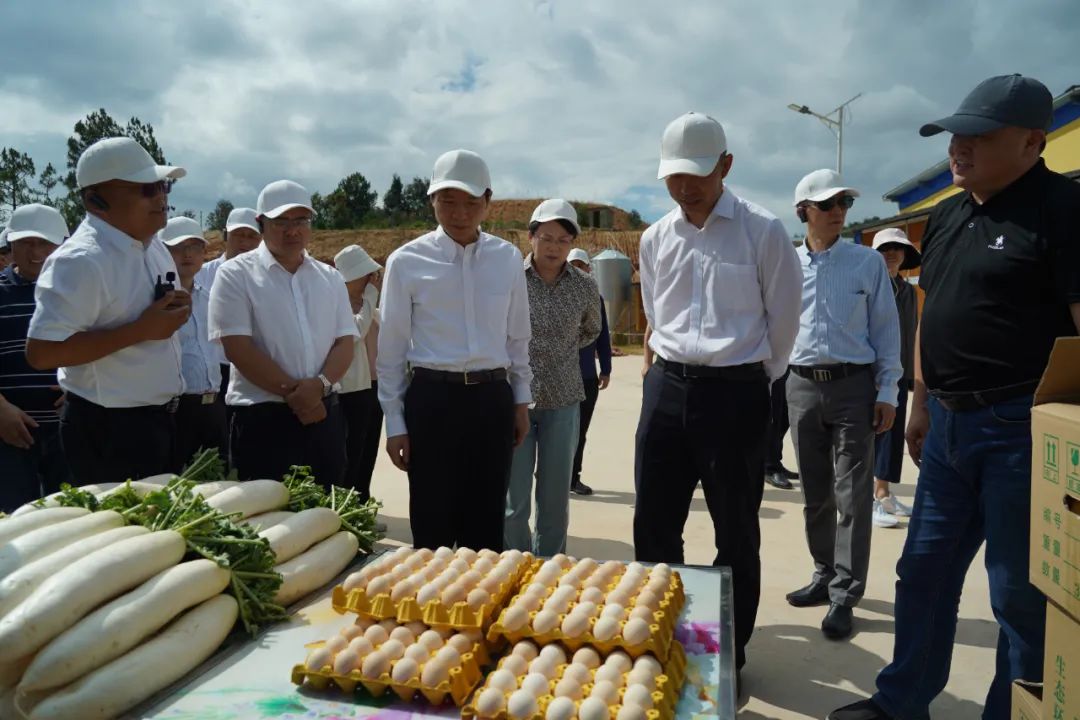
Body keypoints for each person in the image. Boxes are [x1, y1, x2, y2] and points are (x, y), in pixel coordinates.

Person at [830, 74, 1080, 720]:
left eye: (978, 136)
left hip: (1020, 432)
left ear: (1032, 141)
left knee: (1019, 597)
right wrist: (920, 404)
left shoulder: (1063, 209)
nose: (958, 149)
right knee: (923, 574)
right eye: (955, 136)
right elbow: (931, 307)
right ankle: (901, 703)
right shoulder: (945, 215)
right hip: (945, 427)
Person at [635, 112, 802, 675]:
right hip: (666, 388)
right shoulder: (657, 237)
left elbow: (783, 322)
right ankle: (662, 637)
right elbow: (656, 314)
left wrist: (753, 378)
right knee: (655, 525)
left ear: (726, 166)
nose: (686, 187)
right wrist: (669, 370)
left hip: (736, 394)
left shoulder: (763, 230)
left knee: (735, 529)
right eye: (674, 176)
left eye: (698, 175)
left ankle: (726, 655)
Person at [378, 149, 532, 551]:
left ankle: (482, 609)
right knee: (432, 521)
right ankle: (429, 610)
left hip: (491, 399)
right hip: (432, 401)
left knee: (486, 522)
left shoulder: (507, 258)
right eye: (447, 200)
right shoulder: (406, 262)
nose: (459, 212)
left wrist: (520, 403)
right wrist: (395, 421)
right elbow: (391, 347)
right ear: (432, 201)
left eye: (470, 202)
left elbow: (517, 338)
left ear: (487, 201)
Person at [26, 137, 189, 485]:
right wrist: (141, 330)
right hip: (108, 430)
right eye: (145, 189)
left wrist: (175, 312)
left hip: (158, 420)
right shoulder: (81, 261)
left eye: (162, 186)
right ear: (95, 199)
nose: (161, 197)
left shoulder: (152, 246)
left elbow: (153, 319)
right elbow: (42, 353)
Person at [785, 169, 902, 641]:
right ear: (804, 212)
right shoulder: (786, 265)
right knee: (815, 491)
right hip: (800, 386)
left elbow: (887, 331)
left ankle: (844, 595)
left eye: (844, 205)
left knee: (853, 493)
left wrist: (888, 391)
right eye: (828, 205)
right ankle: (823, 573)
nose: (838, 213)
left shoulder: (866, 263)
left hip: (855, 387)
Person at [208, 180, 356, 486]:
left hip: (324, 414)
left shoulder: (329, 278)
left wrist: (320, 386)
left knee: (327, 515)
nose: (293, 231)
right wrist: (299, 396)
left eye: (301, 221)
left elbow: (344, 341)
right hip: (263, 419)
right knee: (268, 523)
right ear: (261, 223)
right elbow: (237, 347)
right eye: (281, 222)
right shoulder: (235, 274)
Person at [505, 200, 601, 554]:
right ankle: (513, 566)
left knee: (555, 499)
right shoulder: (510, 280)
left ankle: (548, 570)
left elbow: (590, 330)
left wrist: (556, 352)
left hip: (563, 401)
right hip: (517, 400)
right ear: (530, 237)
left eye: (563, 240)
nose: (554, 247)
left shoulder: (586, 287)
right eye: (546, 237)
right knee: (514, 501)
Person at [0, 204, 70, 511]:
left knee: (69, 518)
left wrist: (79, 389)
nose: (36, 252)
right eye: (27, 243)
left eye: (45, 243)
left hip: (68, 429)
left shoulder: (76, 291)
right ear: (10, 243)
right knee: (14, 522)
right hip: (8, 433)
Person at [161, 216, 226, 470]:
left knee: (218, 480)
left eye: (194, 247)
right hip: (176, 410)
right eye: (177, 248)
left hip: (213, 406)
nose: (187, 254)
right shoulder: (155, 301)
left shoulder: (210, 299)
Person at [870, 228, 920, 524]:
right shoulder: (869, 285)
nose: (891, 253)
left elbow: (911, 332)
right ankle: (870, 496)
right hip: (869, 374)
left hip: (898, 373)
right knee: (871, 435)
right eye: (884, 248)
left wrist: (911, 375)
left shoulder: (909, 291)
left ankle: (883, 492)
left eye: (897, 248)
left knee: (892, 435)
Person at [334, 244, 384, 502]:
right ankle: (346, 505)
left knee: (367, 450)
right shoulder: (337, 304)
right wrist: (371, 298)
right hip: (347, 391)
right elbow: (356, 332)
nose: (371, 279)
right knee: (349, 452)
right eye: (365, 274)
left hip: (372, 388)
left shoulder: (371, 308)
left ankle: (362, 502)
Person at [196, 207, 261, 399]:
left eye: (252, 236)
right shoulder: (202, 274)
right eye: (238, 235)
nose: (245, 242)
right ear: (225, 235)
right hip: (215, 371)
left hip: (255, 369)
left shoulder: (268, 279)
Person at [567, 247, 611, 496]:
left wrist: (605, 368)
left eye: (580, 265)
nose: (576, 269)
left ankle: (573, 477)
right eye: (572, 264)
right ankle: (552, 474)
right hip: (559, 374)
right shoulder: (555, 294)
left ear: (588, 268)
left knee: (580, 430)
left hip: (586, 376)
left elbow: (603, 335)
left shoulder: (595, 297)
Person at [763, 370, 799, 489]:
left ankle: (775, 461)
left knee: (785, 411)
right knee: (775, 412)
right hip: (771, 363)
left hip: (789, 361)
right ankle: (770, 467)